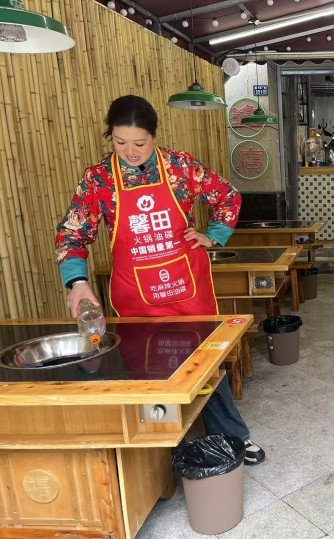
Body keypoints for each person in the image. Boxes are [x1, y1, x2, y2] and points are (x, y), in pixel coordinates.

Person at [55, 95, 265, 465]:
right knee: (146, 368)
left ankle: (232, 436)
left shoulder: (181, 167)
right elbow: (73, 233)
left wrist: (213, 235)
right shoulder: (99, 179)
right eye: (120, 142)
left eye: (140, 143)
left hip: (187, 287)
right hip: (136, 293)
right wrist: (78, 282)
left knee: (204, 361)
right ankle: (159, 454)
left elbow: (227, 196)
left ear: (154, 136)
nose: (130, 151)